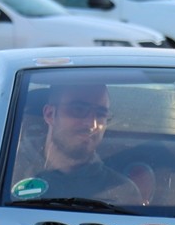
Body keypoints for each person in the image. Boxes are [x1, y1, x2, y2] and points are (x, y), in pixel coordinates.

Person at [10, 83, 141, 203]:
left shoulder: (121, 191)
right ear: (50, 114)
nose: (92, 124)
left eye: (101, 114)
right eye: (78, 110)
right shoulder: (5, 172)